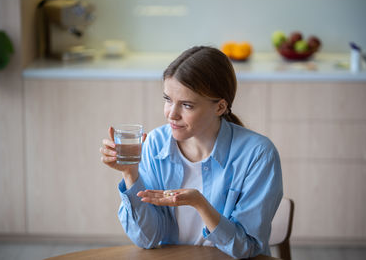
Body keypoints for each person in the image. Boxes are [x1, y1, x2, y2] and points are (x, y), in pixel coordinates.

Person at [100, 46, 283, 258]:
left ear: (220, 107)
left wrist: (200, 203)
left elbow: (246, 248)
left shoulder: (258, 155)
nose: (172, 114)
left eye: (187, 105)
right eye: (168, 99)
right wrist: (130, 173)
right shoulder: (155, 144)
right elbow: (147, 239)